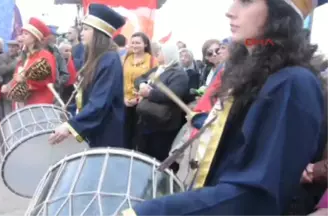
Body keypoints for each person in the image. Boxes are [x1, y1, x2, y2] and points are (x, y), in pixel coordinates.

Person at [122, 0, 327, 215]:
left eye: (246, 2)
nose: (230, 12)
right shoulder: (254, 74)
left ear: (281, 14)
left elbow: (254, 198)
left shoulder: (294, 84)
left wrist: (150, 212)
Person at [49, 3, 125, 148]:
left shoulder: (110, 60)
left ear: (98, 33)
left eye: (86, 29)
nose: (81, 33)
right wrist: (70, 111)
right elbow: (86, 98)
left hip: (105, 133)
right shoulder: (95, 58)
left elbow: (99, 103)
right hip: (95, 131)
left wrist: (70, 126)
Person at [134, 43, 189, 162]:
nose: (157, 53)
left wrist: (149, 93)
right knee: (143, 156)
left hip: (164, 125)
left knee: (157, 159)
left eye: (161, 51)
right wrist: (142, 84)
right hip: (147, 121)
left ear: (169, 54)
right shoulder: (159, 69)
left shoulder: (179, 74)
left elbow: (172, 95)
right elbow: (139, 78)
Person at [2, 17, 57, 109]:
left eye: (26, 34)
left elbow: (46, 80)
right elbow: (17, 78)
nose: (22, 36)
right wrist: (9, 86)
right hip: (23, 103)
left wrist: (24, 80)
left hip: (38, 102)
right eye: (22, 33)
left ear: (35, 37)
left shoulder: (44, 56)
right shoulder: (24, 56)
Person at [123, 32, 157, 149]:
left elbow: (154, 84)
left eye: (138, 43)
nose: (134, 45)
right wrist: (124, 98)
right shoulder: (125, 59)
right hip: (125, 103)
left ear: (145, 44)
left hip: (143, 103)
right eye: (132, 42)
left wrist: (138, 99)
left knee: (139, 137)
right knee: (125, 135)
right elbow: (120, 80)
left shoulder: (152, 61)